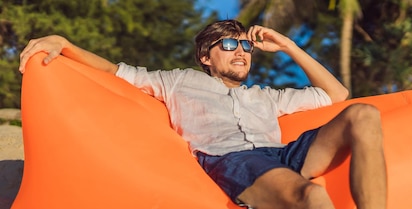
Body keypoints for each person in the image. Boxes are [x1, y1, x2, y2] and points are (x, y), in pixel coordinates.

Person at [19, 19, 387, 209]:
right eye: (229, 44)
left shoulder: (266, 97)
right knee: (313, 199)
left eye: (246, 45)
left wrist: (288, 45)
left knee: (363, 113)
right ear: (206, 57)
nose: (241, 50)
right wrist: (65, 44)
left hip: (284, 153)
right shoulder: (177, 81)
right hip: (232, 160)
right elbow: (116, 72)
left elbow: (336, 94)